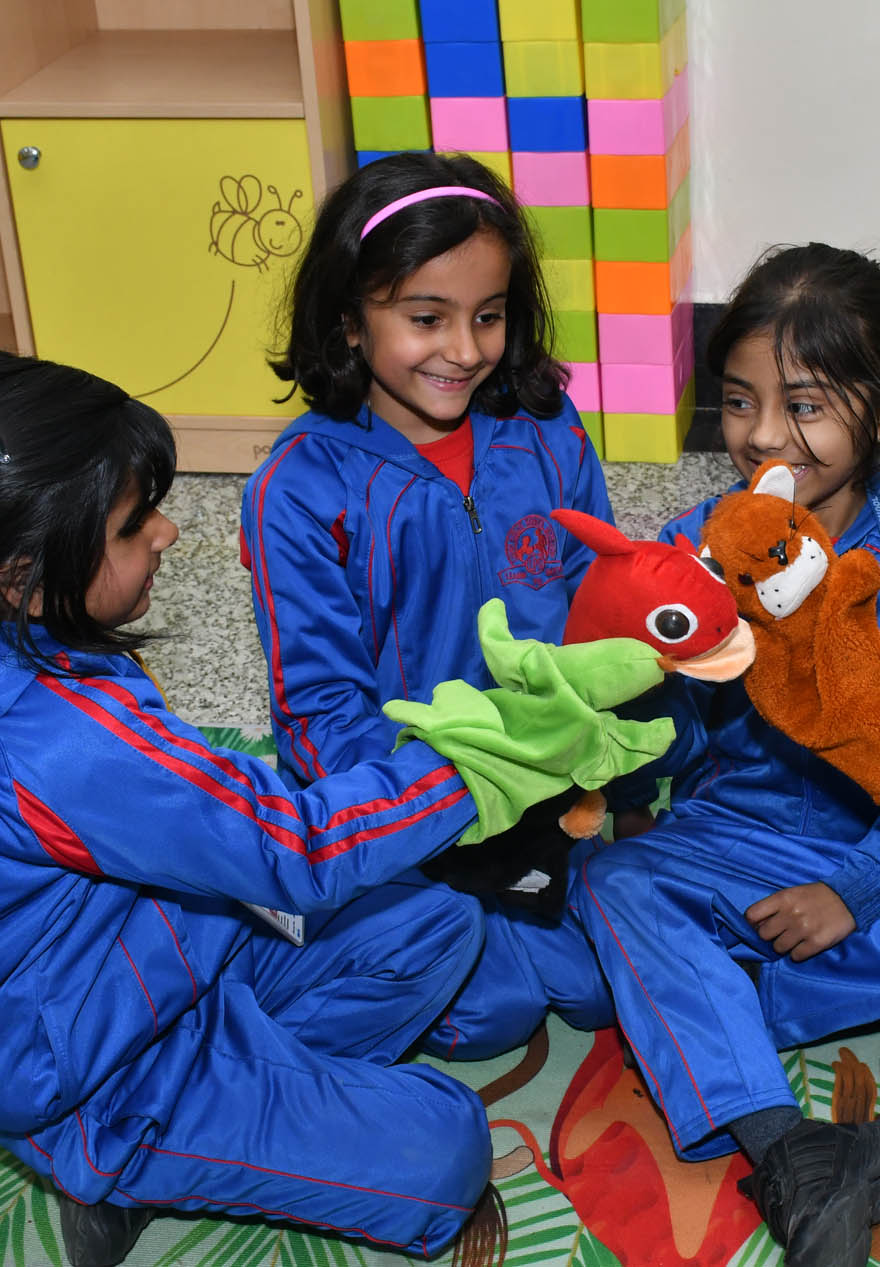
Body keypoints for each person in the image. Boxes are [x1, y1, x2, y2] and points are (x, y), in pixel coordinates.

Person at [0, 350, 663, 1267]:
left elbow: (214, 809)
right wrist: (481, 761)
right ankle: (115, 1151)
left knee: (437, 926)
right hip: (78, 1063)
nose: (165, 532)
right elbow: (298, 845)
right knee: (446, 1149)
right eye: (133, 525)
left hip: (144, 952)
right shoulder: (52, 740)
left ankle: (243, 1098)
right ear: (21, 575)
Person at [571, 244, 880, 1267]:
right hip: (730, 839)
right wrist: (662, 684)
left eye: (803, 405)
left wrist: (856, 887)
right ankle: (786, 1144)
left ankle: (706, 1002)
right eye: (738, 400)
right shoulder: (691, 548)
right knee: (611, 880)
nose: (762, 434)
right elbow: (662, 740)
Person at [242, 151, 616, 1052]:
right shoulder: (299, 489)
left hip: (550, 791)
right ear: (348, 321)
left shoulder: (547, 428)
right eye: (425, 318)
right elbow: (319, 711)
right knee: (493, 1010)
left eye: (488, 315)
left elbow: (600, 601)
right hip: (407, 805)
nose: (465, 349)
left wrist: (595, 756)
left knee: (604, 985)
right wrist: (451, 798)